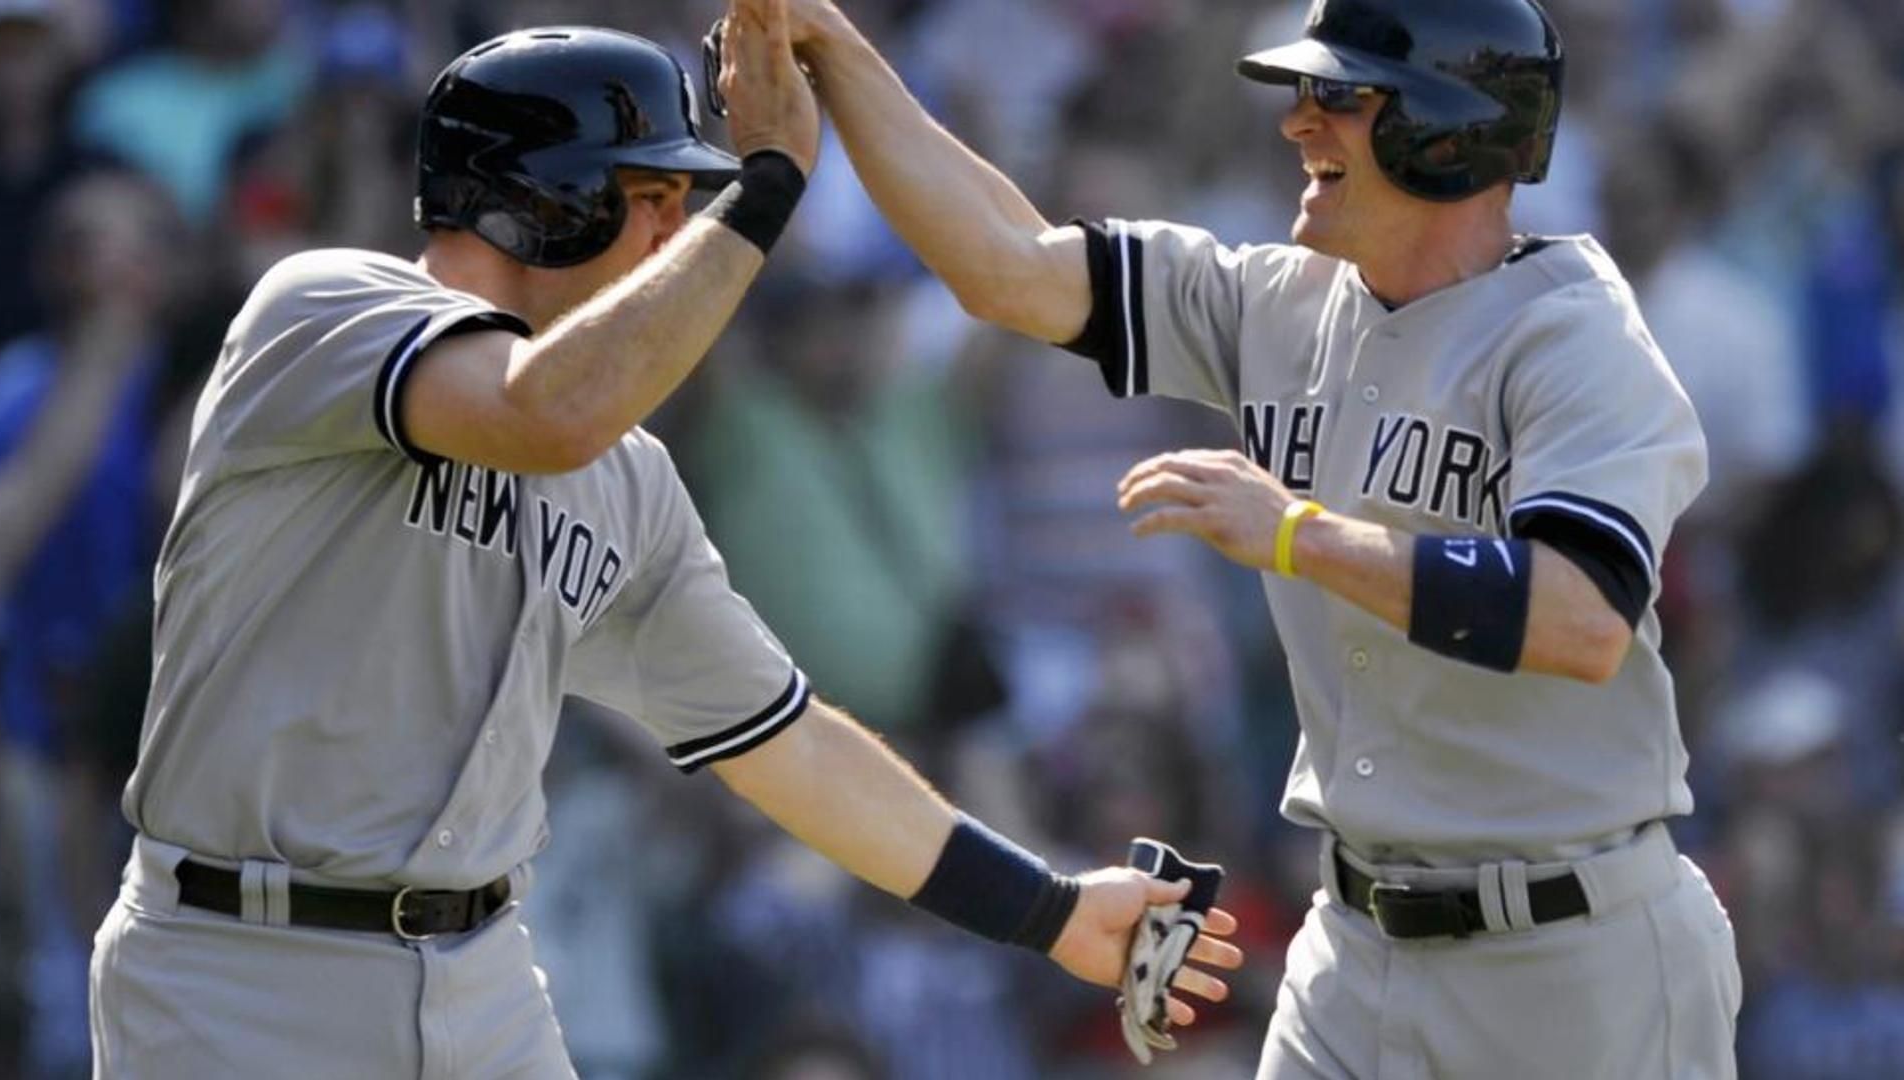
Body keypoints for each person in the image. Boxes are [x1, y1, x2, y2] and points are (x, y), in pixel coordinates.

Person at [85, 10, 1241, 1079]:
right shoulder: (322, 310)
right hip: (236, 965)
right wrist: (766, 190)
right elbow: (543, 410)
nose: (676, 228)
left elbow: (788, 746)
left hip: (481, 976)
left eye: (690, 196)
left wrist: (1044, 907)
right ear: (534, 202)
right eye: (645, 193)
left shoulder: (627, 480)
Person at [762, 0, 1741, 1075]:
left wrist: (1297, 535)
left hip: (1571, 959)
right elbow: (1006, 264)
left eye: (1337, 97)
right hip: (1355, 946)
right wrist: (834, 52)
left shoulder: (1574, 338)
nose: (1297, 123)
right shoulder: (1277, 300)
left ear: (1440, 131)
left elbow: (1578, 614)